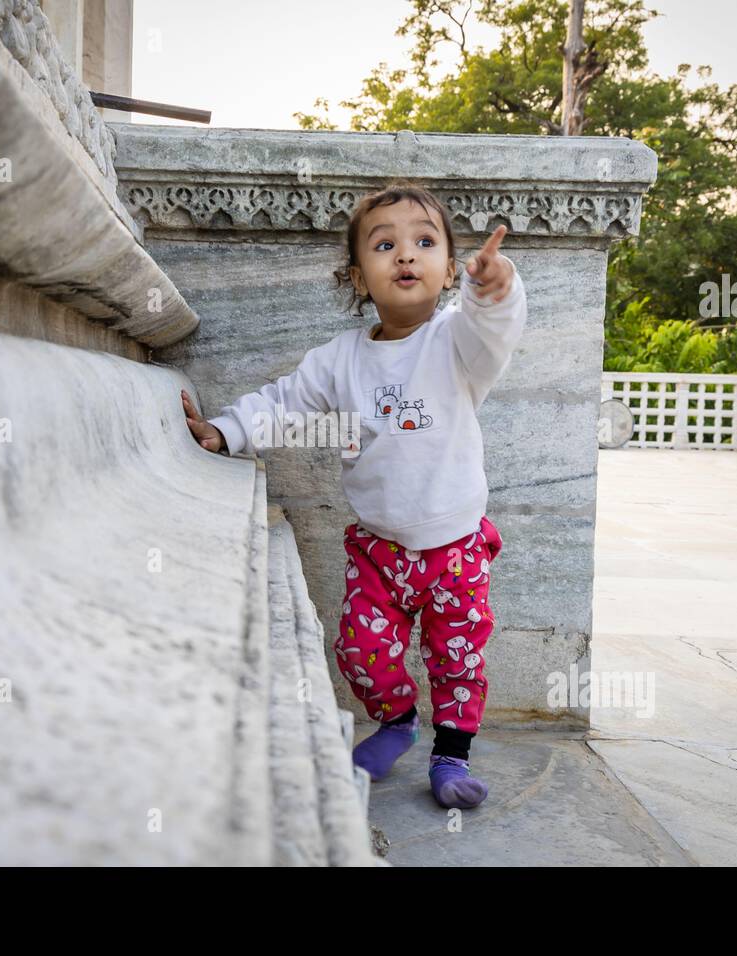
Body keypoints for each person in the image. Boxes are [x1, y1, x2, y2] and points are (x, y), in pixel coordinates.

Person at [180, 182, 527, 809]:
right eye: (384, 244)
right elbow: (285, 405)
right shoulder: (341, 360)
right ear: (358, 277)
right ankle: (396, 722)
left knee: (457, 660)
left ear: (449, 270)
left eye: (424, 243)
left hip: (457, 548)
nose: (405, 256)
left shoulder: (456, 343)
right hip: (379, 549)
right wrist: (227, 430)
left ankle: (450, 755)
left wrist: (493, 288)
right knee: (360, 651)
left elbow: (492, 330)